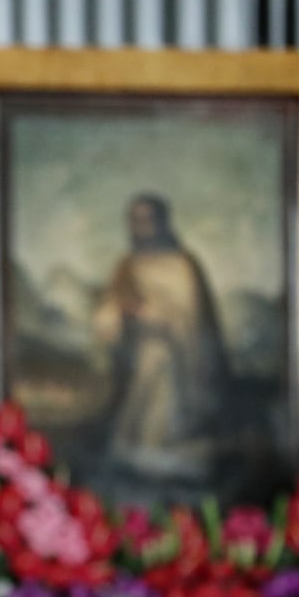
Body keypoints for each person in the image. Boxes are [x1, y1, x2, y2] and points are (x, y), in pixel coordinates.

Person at [92, 193, 230, 492]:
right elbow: (111, 309)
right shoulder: (127, 265)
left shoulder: (183, 264)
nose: (140, 227)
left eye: (146, 220)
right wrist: (119, 315)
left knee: (165, 407)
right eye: (135, 220)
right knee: (138, 412)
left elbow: (190, 319)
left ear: (160, 222)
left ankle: (169, 454)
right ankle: (139, 458)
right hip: (138, 354)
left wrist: (156, 317)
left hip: (178, 356)